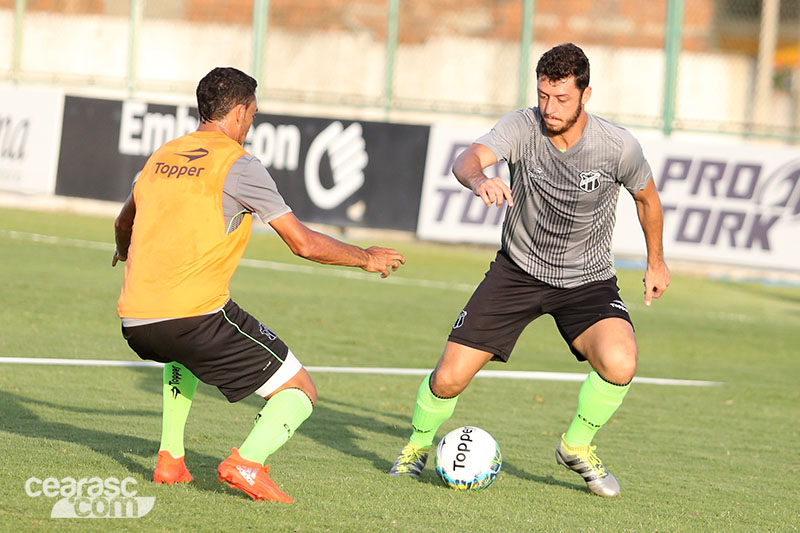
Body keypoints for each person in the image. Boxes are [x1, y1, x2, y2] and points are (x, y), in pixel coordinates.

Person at [389, 43, 670, 497]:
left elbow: (647, 199)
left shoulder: (618, 146)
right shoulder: (522, 127)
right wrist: (481, 180)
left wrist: (656, 261)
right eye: (543, 95)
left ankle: (576, 447)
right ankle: (416, 448)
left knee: (621, 361)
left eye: (561, 98)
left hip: (587, 281)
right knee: (448, 378)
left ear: (586, 95)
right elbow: (466, 160)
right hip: (517, 272)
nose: (549, 108)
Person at [113, 67, 405, 503]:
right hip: (194, 319)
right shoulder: (239, 164)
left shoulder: (163, 155)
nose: (252, 122)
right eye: (253, 113)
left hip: (136, 322)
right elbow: (303, 243)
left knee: (182, 353)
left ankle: (170, 461)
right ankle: (247, 463)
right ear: (239, 112)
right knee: (300, 390)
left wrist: (123, 251)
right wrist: (365, 257)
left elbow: (123, 222)